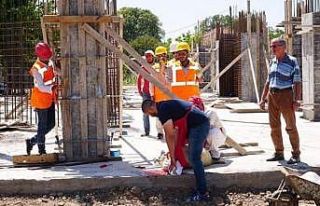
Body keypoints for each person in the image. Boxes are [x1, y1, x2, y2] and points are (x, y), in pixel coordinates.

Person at [142, 99, 210, 201]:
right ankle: (200, 189)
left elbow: (169, 135)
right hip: (197, 123)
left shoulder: (163, 110)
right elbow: (173, 132)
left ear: (151, 108)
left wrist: (173, 160)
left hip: (199, 124)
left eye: (149, 113)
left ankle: (202, 193)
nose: (151, 116)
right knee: (192, 158)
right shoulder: (163, 106)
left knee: (194, 158)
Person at [259, 37, 302, 164]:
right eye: (272, 46)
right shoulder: (273, 62)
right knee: (274, 127)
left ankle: (296, 154)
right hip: (272, 96)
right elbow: (268, 81)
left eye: (275, 46)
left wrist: (296, 100)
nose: (273, 49)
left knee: (290, 126)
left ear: (283, 47)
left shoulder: (292, 61)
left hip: (286, 95)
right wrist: (263, 98)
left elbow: (297, 82)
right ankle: (279, 152)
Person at [26, 42, 59, 155]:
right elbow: (41, 86)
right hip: (40, 100)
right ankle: (41, 150)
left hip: (49, 98)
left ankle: (32, 141)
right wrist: (53, 87)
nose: (47, 59)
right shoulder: (36, 68)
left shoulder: (48, 63)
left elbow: (52, 75)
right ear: (39, 56)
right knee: (42, 126)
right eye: (45, 57)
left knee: (51, 124)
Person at [153, 46, 171, 139]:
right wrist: (152, 94)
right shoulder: (154, 68)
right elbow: (155, 80)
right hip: (158, 95)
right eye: (159, 56)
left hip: (169, 95)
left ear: (166, 55)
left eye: (162, 55)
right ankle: (160, 132)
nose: (161, 57)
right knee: (159, 116)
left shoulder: (171, 66)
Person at [137, 50, 155, 137]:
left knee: (159, 111)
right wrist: (140, 91)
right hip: (146, 93)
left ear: (153, 57)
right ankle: (146, 131)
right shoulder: (143, 68)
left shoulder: (156, 67)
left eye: (150, 56)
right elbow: (139, 80)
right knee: (145, 112)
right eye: (147, 56)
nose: (148, 58)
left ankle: (160, 132)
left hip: (156, 92)